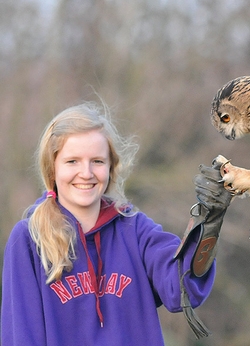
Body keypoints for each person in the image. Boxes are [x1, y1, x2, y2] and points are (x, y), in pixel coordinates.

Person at [1, 102, 233, 345]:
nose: (86, 173)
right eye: (72, 161)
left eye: (97, 161)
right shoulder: (29, 238)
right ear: (52, 169)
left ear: (111, 167)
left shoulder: (135, 229)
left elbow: (182, 290)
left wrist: (207, 224)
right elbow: (21, 335)